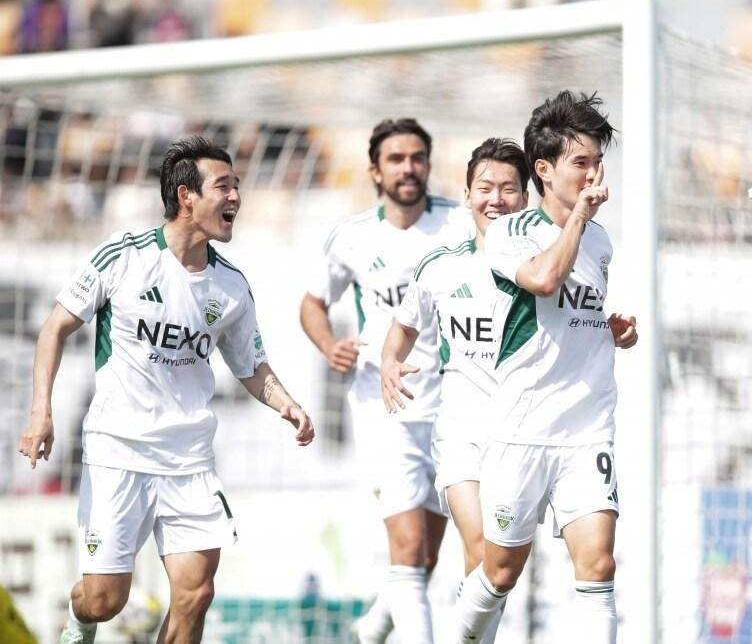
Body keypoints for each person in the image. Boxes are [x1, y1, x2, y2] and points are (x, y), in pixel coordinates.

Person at [18, 136, 315, 644]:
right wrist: (40, 413)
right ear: (186, 197)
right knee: (105, 600)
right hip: (119, 451)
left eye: (238, 186)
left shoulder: (232, 286)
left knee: (195, 594)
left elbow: (251, 364)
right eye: (224, 186)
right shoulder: (123, 257)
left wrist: (285, 402)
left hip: (189, 460)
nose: (236, 198)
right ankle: (80, 617)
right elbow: (54, 329)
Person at [452, 91, 638, 643]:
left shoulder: (600, 241)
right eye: (580, 163)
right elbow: (543, 280)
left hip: (587, 430)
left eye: (597, 163)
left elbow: (570, 311)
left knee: (599, 566)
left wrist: (610, 330)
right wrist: (579, 216)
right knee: (500, 572)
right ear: (543, 168)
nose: (592, 174)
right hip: (523, 430)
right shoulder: (512, 231)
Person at [300, 118, 474, 644]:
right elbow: (312, 304)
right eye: (396, 159)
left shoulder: (461, 225)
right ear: (375, 171)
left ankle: (369, 630)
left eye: (418, 157)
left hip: (452, 406)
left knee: (424, 559)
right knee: (406, 547)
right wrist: (330, 345)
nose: (409, 167)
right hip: (384, 405)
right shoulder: (352, 236)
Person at [379, 138, 529, 643]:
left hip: (525, 438)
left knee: (497, 572)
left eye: (509, 189)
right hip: (460, 437)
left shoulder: (542, 272)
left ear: (525, 199)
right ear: (466, 195)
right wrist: (388, 365)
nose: (497, 199)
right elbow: (400, 331)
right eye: (485, 187)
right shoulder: (439, 266)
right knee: (483, 550)